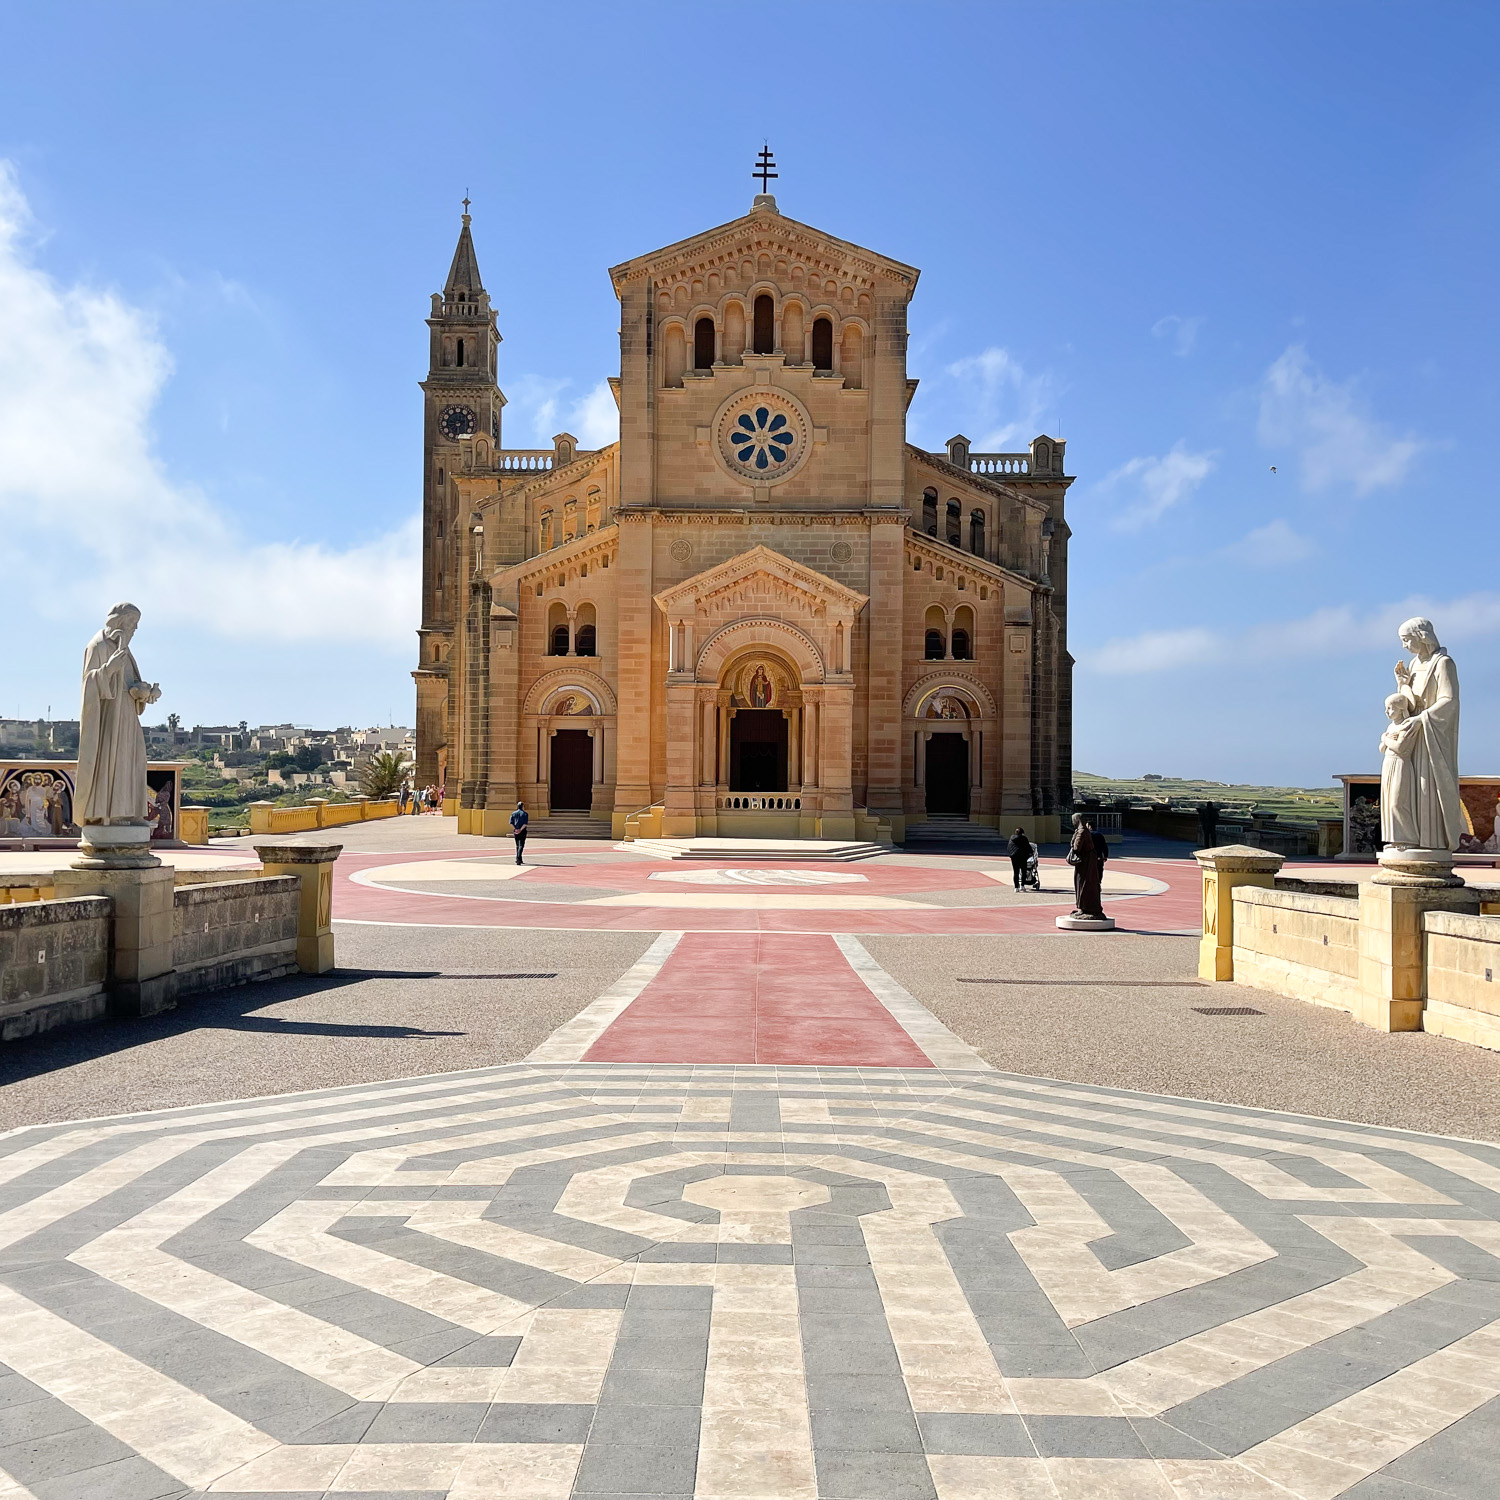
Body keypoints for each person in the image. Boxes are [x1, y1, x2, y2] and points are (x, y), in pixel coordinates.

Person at [1066, 812, 1107, 920]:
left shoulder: (1082, 831)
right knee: (1085, 884)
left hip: (1085, 862)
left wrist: (1073, 839)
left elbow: (1076, 848)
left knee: (1083, 884)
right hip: (1087, 861)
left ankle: (1085, 907)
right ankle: (1084, 907)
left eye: (1073, 820)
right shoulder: (1083, 830)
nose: (1072, 823)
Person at [1006, 827, 1033, 891]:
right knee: (1023, 872)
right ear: (1022, 833)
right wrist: (1030, 853)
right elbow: (1028, 847)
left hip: (1014, 857)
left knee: (1016, 872)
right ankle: (1022, 886)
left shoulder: (1012, 838)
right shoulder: (1024, 838)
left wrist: (1011, 855)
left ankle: (1016, 887)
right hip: (1022, 857)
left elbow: (1009, 847)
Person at [510, 800, 529, 864]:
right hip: (522, 831)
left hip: (516, 831)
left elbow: (511, 823)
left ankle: (519, 859)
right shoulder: (525, 814)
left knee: (517, 845)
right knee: (521, 845)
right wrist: (520, 829)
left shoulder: (513, 813)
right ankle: (518, 858)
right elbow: (525, 824)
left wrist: (515, 829)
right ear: (522, 806)